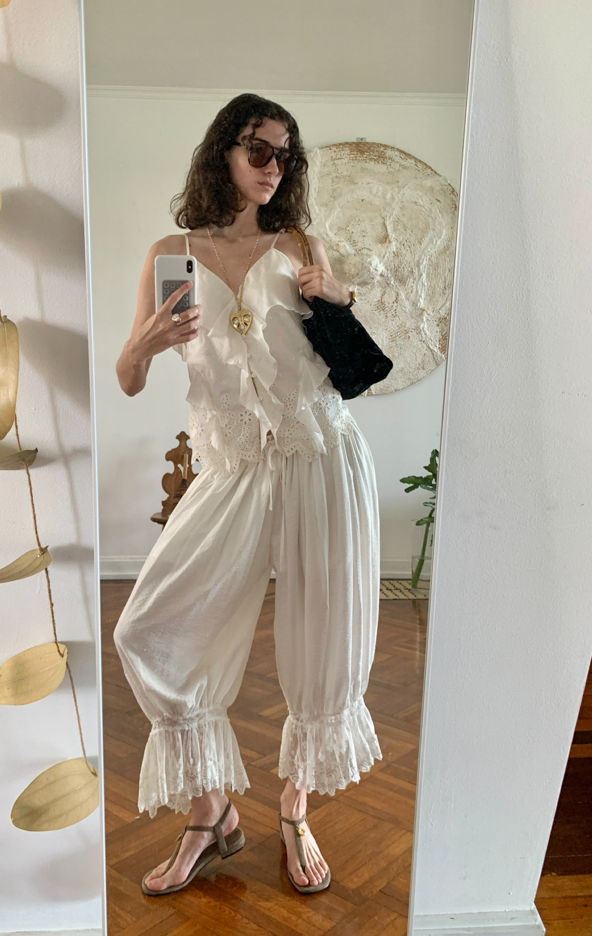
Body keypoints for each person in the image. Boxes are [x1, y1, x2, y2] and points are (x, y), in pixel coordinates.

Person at [114, 93, 382, 896]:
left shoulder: (299, 245)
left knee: (325, 635)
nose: (274, 167)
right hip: (231, 467)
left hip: (319, 455)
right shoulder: (171, 252)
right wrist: (146, 343)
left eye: (285, 155)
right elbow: (128, 380)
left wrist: (336, 297)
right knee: (145, 629)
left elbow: (351, 367)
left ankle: (294, 811)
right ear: (222, 153)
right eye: (259, 150)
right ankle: (213, 812)